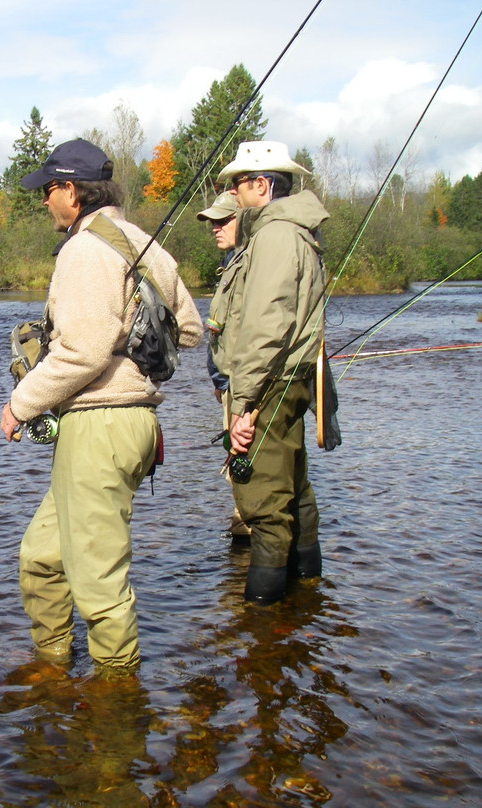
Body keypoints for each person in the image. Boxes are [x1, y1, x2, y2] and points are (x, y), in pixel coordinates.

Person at [0, 139, 202, 675]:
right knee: (42, 559)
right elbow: (189, 331)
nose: (44, 201)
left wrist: (21, 403)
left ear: (71, 189)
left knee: (98, 586)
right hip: (127, 428)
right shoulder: (144, 244)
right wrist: (133, 355)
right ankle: (51, 671)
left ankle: (116, 710)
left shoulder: (85, 249)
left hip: (101, 428)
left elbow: (84, 350)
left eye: (47, 191)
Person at [206, 141, 330, 604]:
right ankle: (307, 595)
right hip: (289, 380)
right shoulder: (294, 232)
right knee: (294, 488)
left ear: (262, 184)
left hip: (271, 385)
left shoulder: (276, 237)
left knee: (264, 504)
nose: (233, 194)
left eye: (238, 184)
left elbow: (264, 327)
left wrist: (242, 407)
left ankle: (263, 619)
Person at [196, 192, 250, 542]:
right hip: (230, 385)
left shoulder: (249, 265)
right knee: (242, 472)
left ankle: (246, 545)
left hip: (244, 386)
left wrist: (231, 385)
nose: (215, 227)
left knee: (245, 472)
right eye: (212, 221)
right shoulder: (232, 263)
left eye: (223, 220)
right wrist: (218, 379)